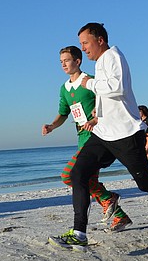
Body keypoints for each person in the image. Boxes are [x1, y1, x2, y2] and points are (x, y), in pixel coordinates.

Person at [69, 22, 148, 246]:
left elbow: (117, 88)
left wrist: (90, 84)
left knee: (145, 182)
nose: (84, 48)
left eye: (86, 43)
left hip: (126, 134)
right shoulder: (100, 62)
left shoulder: (113, 56)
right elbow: (109, 96)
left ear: (100, 40)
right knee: (77, 174)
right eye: (81, 44)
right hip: (103, 134)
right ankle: (79, 233)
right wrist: (97, 113)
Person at [42, 46, 133, 237]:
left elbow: (107, 101)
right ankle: (119, 214)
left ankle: (108, 201)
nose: (63, 65)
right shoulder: (64, 88)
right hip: (81, 138)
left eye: (67, 60)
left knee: (69, 176)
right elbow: (63, 113)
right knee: (87, 180)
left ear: (78, 61)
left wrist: (96, 117)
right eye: (61, 62)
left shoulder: (90, 81)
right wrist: (52, 126)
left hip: (97, 137)